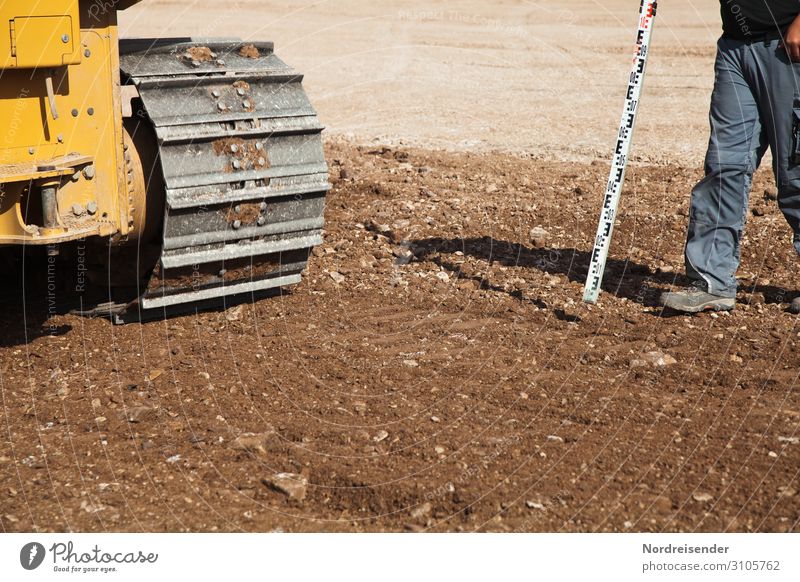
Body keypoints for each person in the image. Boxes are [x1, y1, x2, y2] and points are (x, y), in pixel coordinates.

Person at [660, 1, 800, 313]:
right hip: (735, 47)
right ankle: (711, 281)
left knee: (795, 170)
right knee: (724, 167)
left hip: (788, 44)